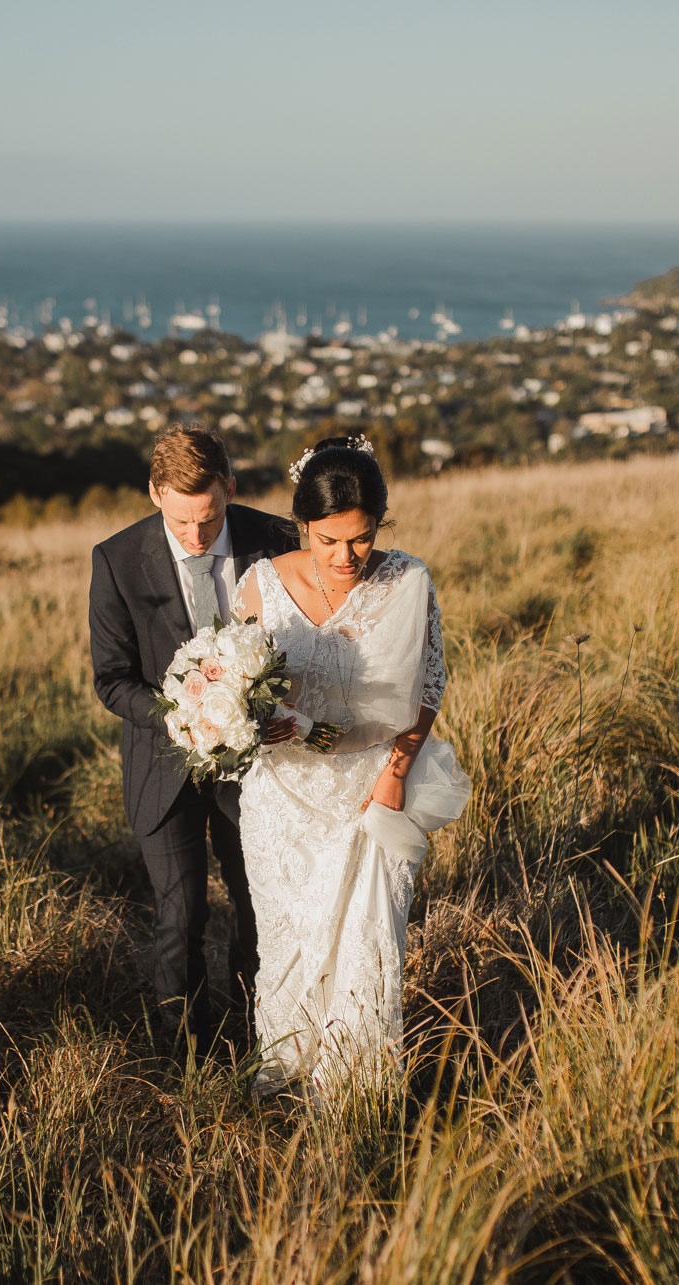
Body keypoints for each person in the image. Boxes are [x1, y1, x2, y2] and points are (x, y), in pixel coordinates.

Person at [230, 435, 470, 1092]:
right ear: (302, 526)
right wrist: (248, 721)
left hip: (372, 793)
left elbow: (427, 686)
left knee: (369, 947)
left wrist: (395, 773)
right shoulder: (258, 585)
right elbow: (235, 683)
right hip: (283, 799)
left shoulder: (408, 580)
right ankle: (282, 1083)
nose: (345, 557)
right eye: (328, 539)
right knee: (286, 947)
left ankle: (354, 1098)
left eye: (360, 539)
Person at [89, 426, 299, 1054]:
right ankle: (185, 1062)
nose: (195, 536)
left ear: (229, 489)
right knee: (180, 916)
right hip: (163, 767)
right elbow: (111, 680)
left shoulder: (276, 540)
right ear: (155, 494)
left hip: (259, 767)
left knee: (258, 905)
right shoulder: (117, 559)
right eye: (181, 522)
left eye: (208, 519)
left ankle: (263, 1039)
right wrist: (184, 713)